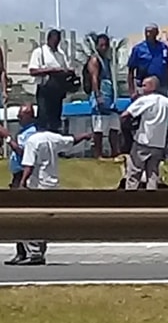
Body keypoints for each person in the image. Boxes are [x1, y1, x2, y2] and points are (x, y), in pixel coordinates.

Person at [9, 122, 92, 266]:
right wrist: (85, 135)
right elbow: (72, 140)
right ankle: (38, 252)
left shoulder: (32, 141)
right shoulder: (53, 138)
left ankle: (34, 253)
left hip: (37, 185)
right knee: (43, 220)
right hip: (52, 185)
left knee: (27, 220)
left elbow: (29, 165)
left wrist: (22, 183)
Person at [121, 76, 168, 190]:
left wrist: (126, 126)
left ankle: (129, 199)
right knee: (153, 174)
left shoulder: (144, 100)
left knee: (134, 173)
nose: (141, 88)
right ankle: (152, 200)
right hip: (158, 144)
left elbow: (126, 114)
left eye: (144, 85)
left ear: (152, 86)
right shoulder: (166, 102)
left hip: (142, 142)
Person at [1, 103, 37, 265]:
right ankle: (20, 252)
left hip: (24, 174)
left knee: (24, 215)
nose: (18, 118)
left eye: (21, 116)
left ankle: (31, 252)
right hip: (16, 174)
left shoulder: (31, 133)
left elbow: (24, 153)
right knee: (16, 215)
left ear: (30, 116)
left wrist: (8, 138)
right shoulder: (23, 132)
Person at [29, 28, 75, 132]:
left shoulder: (61, 54)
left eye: (58, 40)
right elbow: (32, 71)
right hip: (45, 90)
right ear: (49, 39)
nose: (56, 42)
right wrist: (51, 70)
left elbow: (66, 68)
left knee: (55, 119)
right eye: (54, 40)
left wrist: (67, 71)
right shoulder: (39, 52)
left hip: (58, 90)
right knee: (44, 118)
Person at [88, 33, 121, 158]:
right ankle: (98, 153)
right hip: (101, 94)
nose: (103, 48)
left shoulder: (108, 61)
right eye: (101, 45)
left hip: (110, 95)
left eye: (105, 45)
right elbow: (94, 78)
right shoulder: (95, 60)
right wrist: (98, 95)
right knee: (99, 127)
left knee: (114, 125)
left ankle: (115, 152)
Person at [128, 23, 168, 97]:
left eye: (151, 32)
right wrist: (132, 91)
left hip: (161, 86)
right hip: (144, 86)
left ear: (157, 33)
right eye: (146, 32)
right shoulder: (138, 49)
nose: (148, 34)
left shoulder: (163, 48)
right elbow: (131, 71)